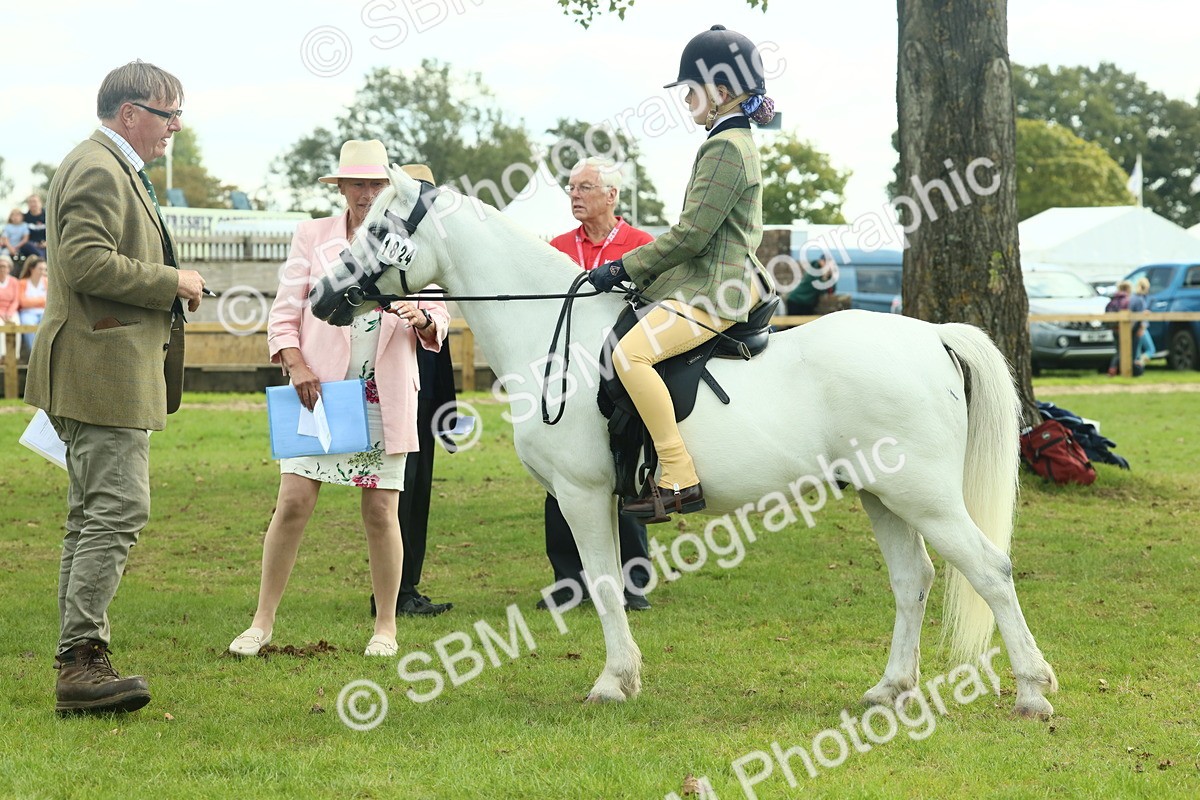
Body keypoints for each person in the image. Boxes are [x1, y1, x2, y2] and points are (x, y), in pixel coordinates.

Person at [24, 60, 205, 716]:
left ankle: (80, 656)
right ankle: (81, 662)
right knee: (118, 509)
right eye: (168, 113)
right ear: (130, 112)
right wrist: (173, 281)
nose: (175, 128)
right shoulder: (100, 166)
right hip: (99, 371)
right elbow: (84, 261)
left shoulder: (107, 165)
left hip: (96, 367)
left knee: (91, 513)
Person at [228, 142, 449, 659]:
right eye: (357, 184)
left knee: (380, 511)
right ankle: (261, 623)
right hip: (319, 394)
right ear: (342, 188)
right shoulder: (311, 236)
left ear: (388, 188)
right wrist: (297, 365)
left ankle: (386, 626)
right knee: (293, 503)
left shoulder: (411, 240)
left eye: (376, 184)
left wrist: (423, 319)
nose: (367, 193)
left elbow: (438, 309)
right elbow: (284, 315)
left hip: (384, 394)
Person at [587, 25, 777, 521]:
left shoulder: (726, 148)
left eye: (691, 90)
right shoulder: (730, 140)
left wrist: (623, 266)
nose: (686, 100)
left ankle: (677, 472)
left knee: (630, 356)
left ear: (720, 92)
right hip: (709, 280)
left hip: (716, 292)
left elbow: (691, 235)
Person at [542, 156, 655, 610]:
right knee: (559, 477)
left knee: (624, 473)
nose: (575, 195)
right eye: (571, 187)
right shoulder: (555, 248)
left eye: (585, 187)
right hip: (568, 379)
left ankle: (634, 585)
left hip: (622, 376)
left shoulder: (641, 244)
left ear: (611, 195)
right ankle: (569, 583)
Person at [18, 255, 47, 356]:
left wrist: (32, 302)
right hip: (27, 313)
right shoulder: (23, 283)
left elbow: (49, 301)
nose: (43, 271)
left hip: (44, 312)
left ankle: (45, 354)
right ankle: (34, 355)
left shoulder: (47, 282)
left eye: (45, 269)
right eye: (40, 269)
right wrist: (42, 300)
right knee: (27, 324)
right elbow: (23, 302)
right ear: (32, 269)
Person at [0, 255, 19, 358]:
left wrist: (10, 313)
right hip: (0, 311)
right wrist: (2, 313)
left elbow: (16, 300)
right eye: (0, 266)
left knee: (16, 324)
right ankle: (2, 355)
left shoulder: (14, 281)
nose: (2, 269)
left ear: (9, 268)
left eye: (5, 266)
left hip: (11, 311)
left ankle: (15, 356)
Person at [22, 194, 48, 259]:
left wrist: (47, 243)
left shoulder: (48, 216)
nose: (33, 204)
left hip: (46, 244)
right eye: (30, 202)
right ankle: (41, 260)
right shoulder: (24, 218)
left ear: (40, 203)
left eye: (35, 201)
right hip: (31, 246)